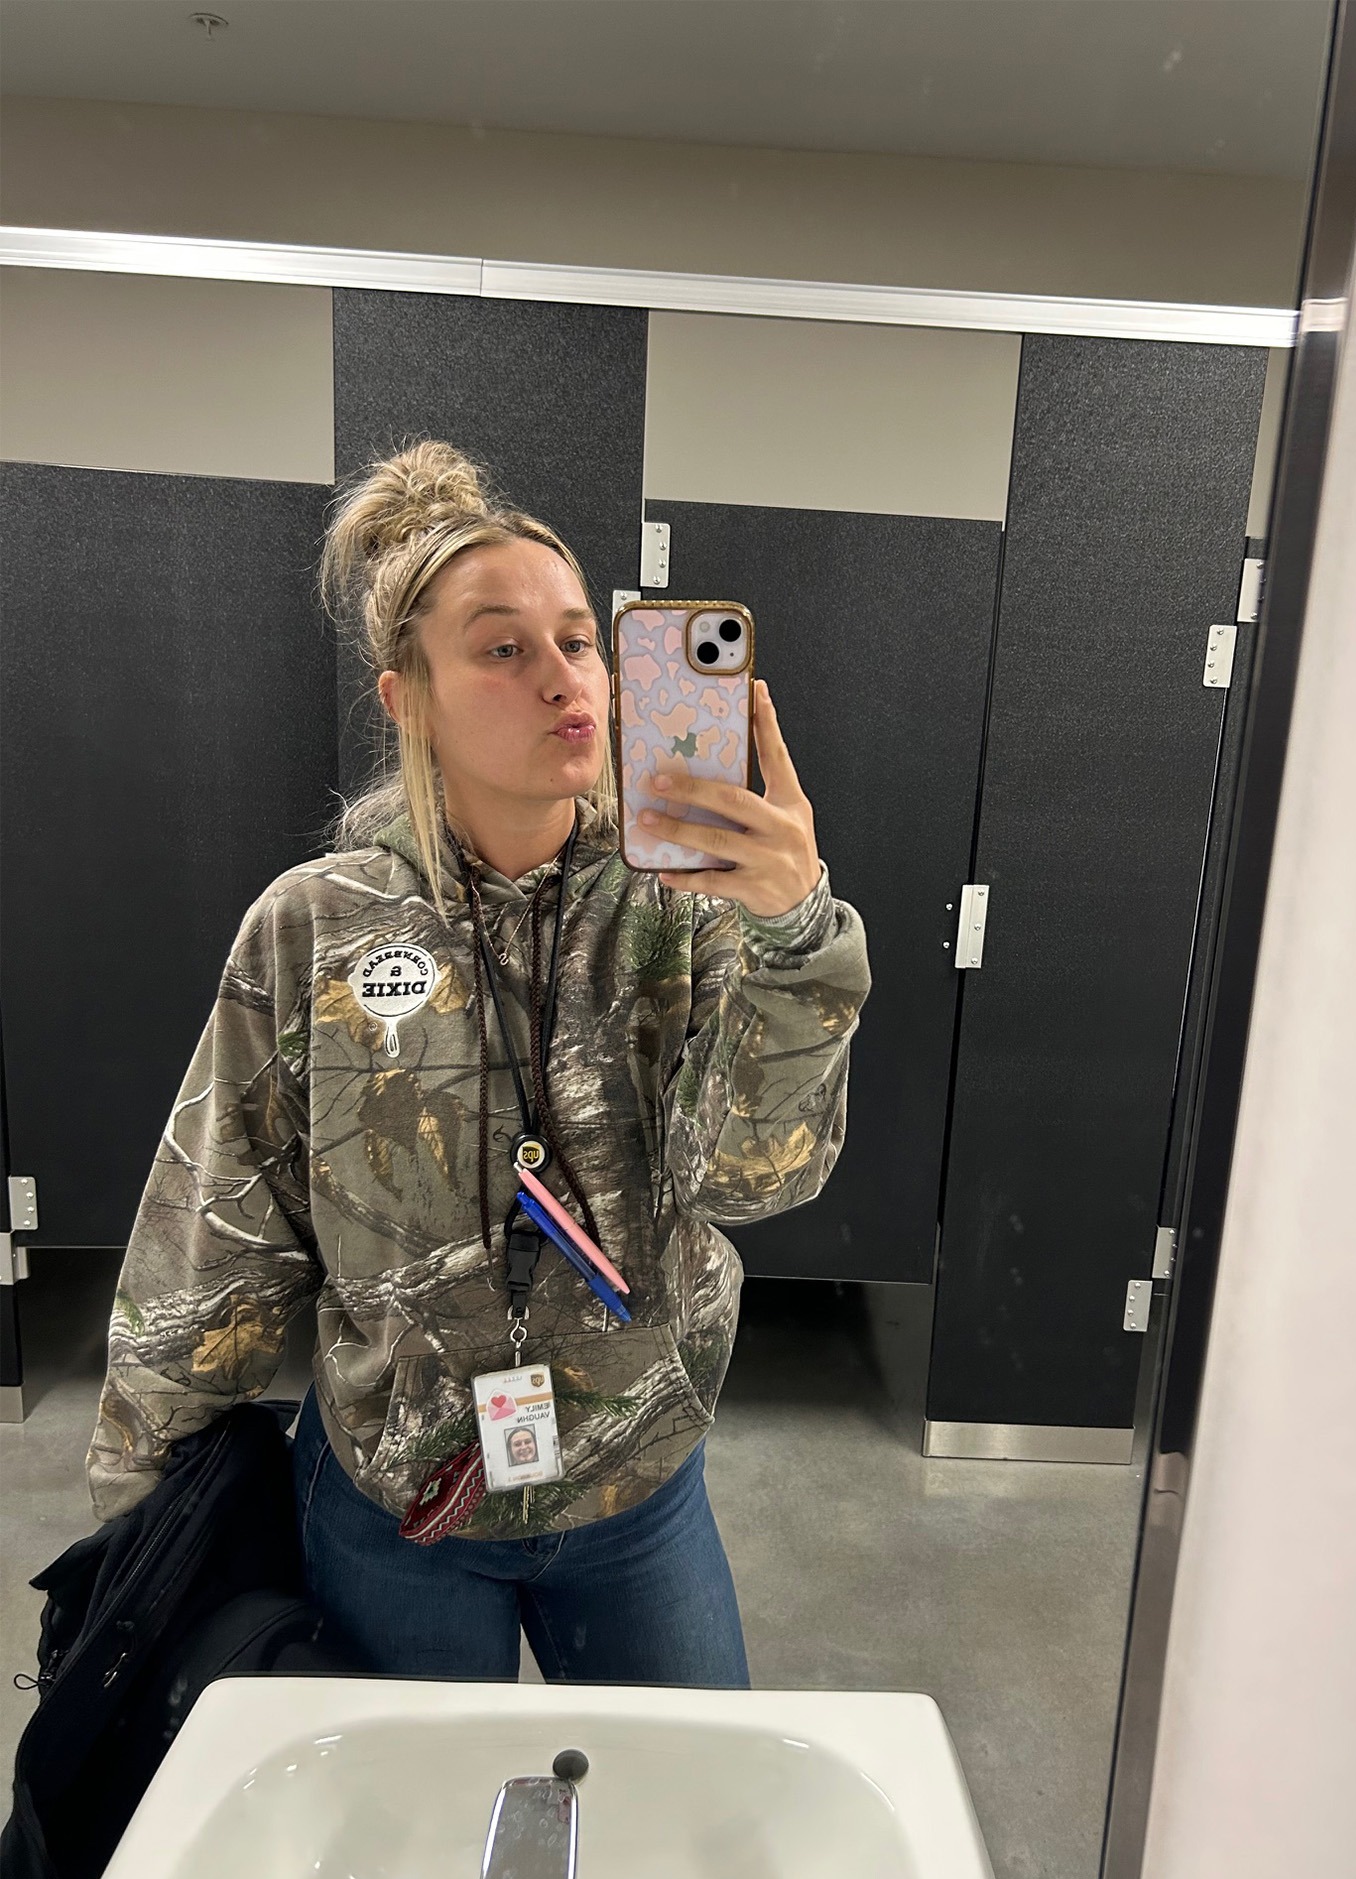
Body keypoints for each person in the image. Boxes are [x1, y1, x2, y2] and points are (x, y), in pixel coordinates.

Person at [85, 441, 870, 1686]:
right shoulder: (312, 926)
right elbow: (217, 1222)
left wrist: (795, 937)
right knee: (419, 1849)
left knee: (669, 1816)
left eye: (577, 641)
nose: (562, 679)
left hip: (635, 1477)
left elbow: (755, 1179)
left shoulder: (690, 913)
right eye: (502, 647)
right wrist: (141, 1498)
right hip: (399, 1496)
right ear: (409, 697)